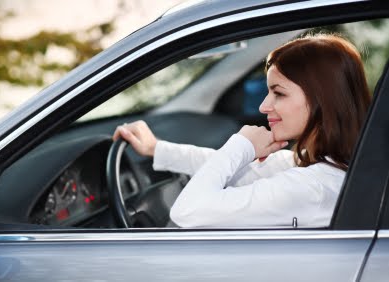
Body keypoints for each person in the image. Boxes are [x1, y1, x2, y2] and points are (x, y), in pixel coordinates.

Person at [113, 34, 371, 228]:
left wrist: (241, 145)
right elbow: (233, 169)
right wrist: (156, 149)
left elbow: (188, 212)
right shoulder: (323, 166)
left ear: (320, 100)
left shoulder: (310, 188)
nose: (263, 106)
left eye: (278, 93)